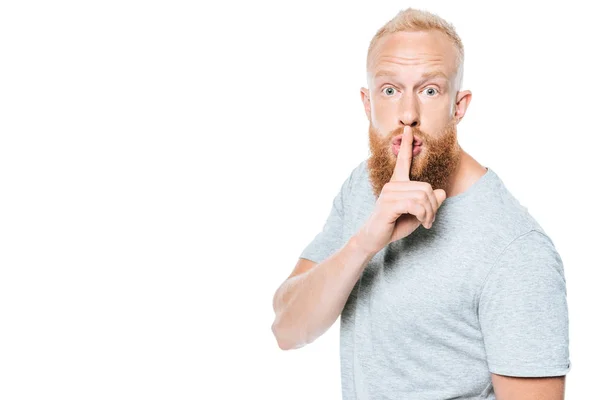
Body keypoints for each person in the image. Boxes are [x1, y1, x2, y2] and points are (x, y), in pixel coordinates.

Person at [271, 8, 570, 399]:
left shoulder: (516, 249)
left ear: (458, 106)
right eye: (390, 90)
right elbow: (287, 329)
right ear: (367, 103)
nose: (407, 114)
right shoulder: (361, 188)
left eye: (430, 90)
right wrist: (365, 242)